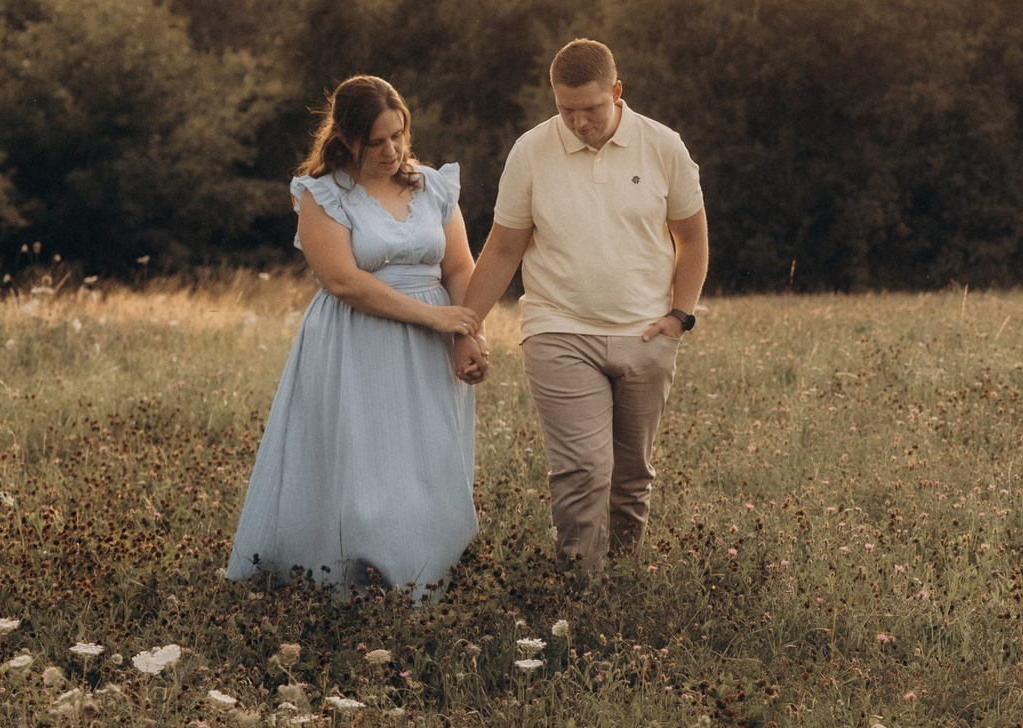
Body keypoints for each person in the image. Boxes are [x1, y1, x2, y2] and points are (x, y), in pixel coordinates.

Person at [452, 37, 708, 570]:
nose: (578, 122)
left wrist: (679, 317)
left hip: (647, 333)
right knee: (583, 470)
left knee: (631, 475)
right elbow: (503, 248)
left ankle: (622, 576)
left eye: (590, 108)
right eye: (565, 109)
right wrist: (465, 327)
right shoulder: (530, 151)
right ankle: (578, 585)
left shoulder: (663, 146)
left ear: (616, 92)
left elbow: (693, 237)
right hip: (558, 329)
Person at [225, 75, 482, 597]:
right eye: (377, 142)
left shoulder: (433, 185)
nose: (391, 151)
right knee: (367, 459)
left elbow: (459, 266)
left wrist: (467, 332)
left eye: (398, 136)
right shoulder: (323, 194)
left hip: (434, 341)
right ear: (346, 139)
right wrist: (436, 320)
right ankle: (358, 572)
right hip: (357, 338)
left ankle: (425, 572)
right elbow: (344, 281)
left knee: (428, 457)